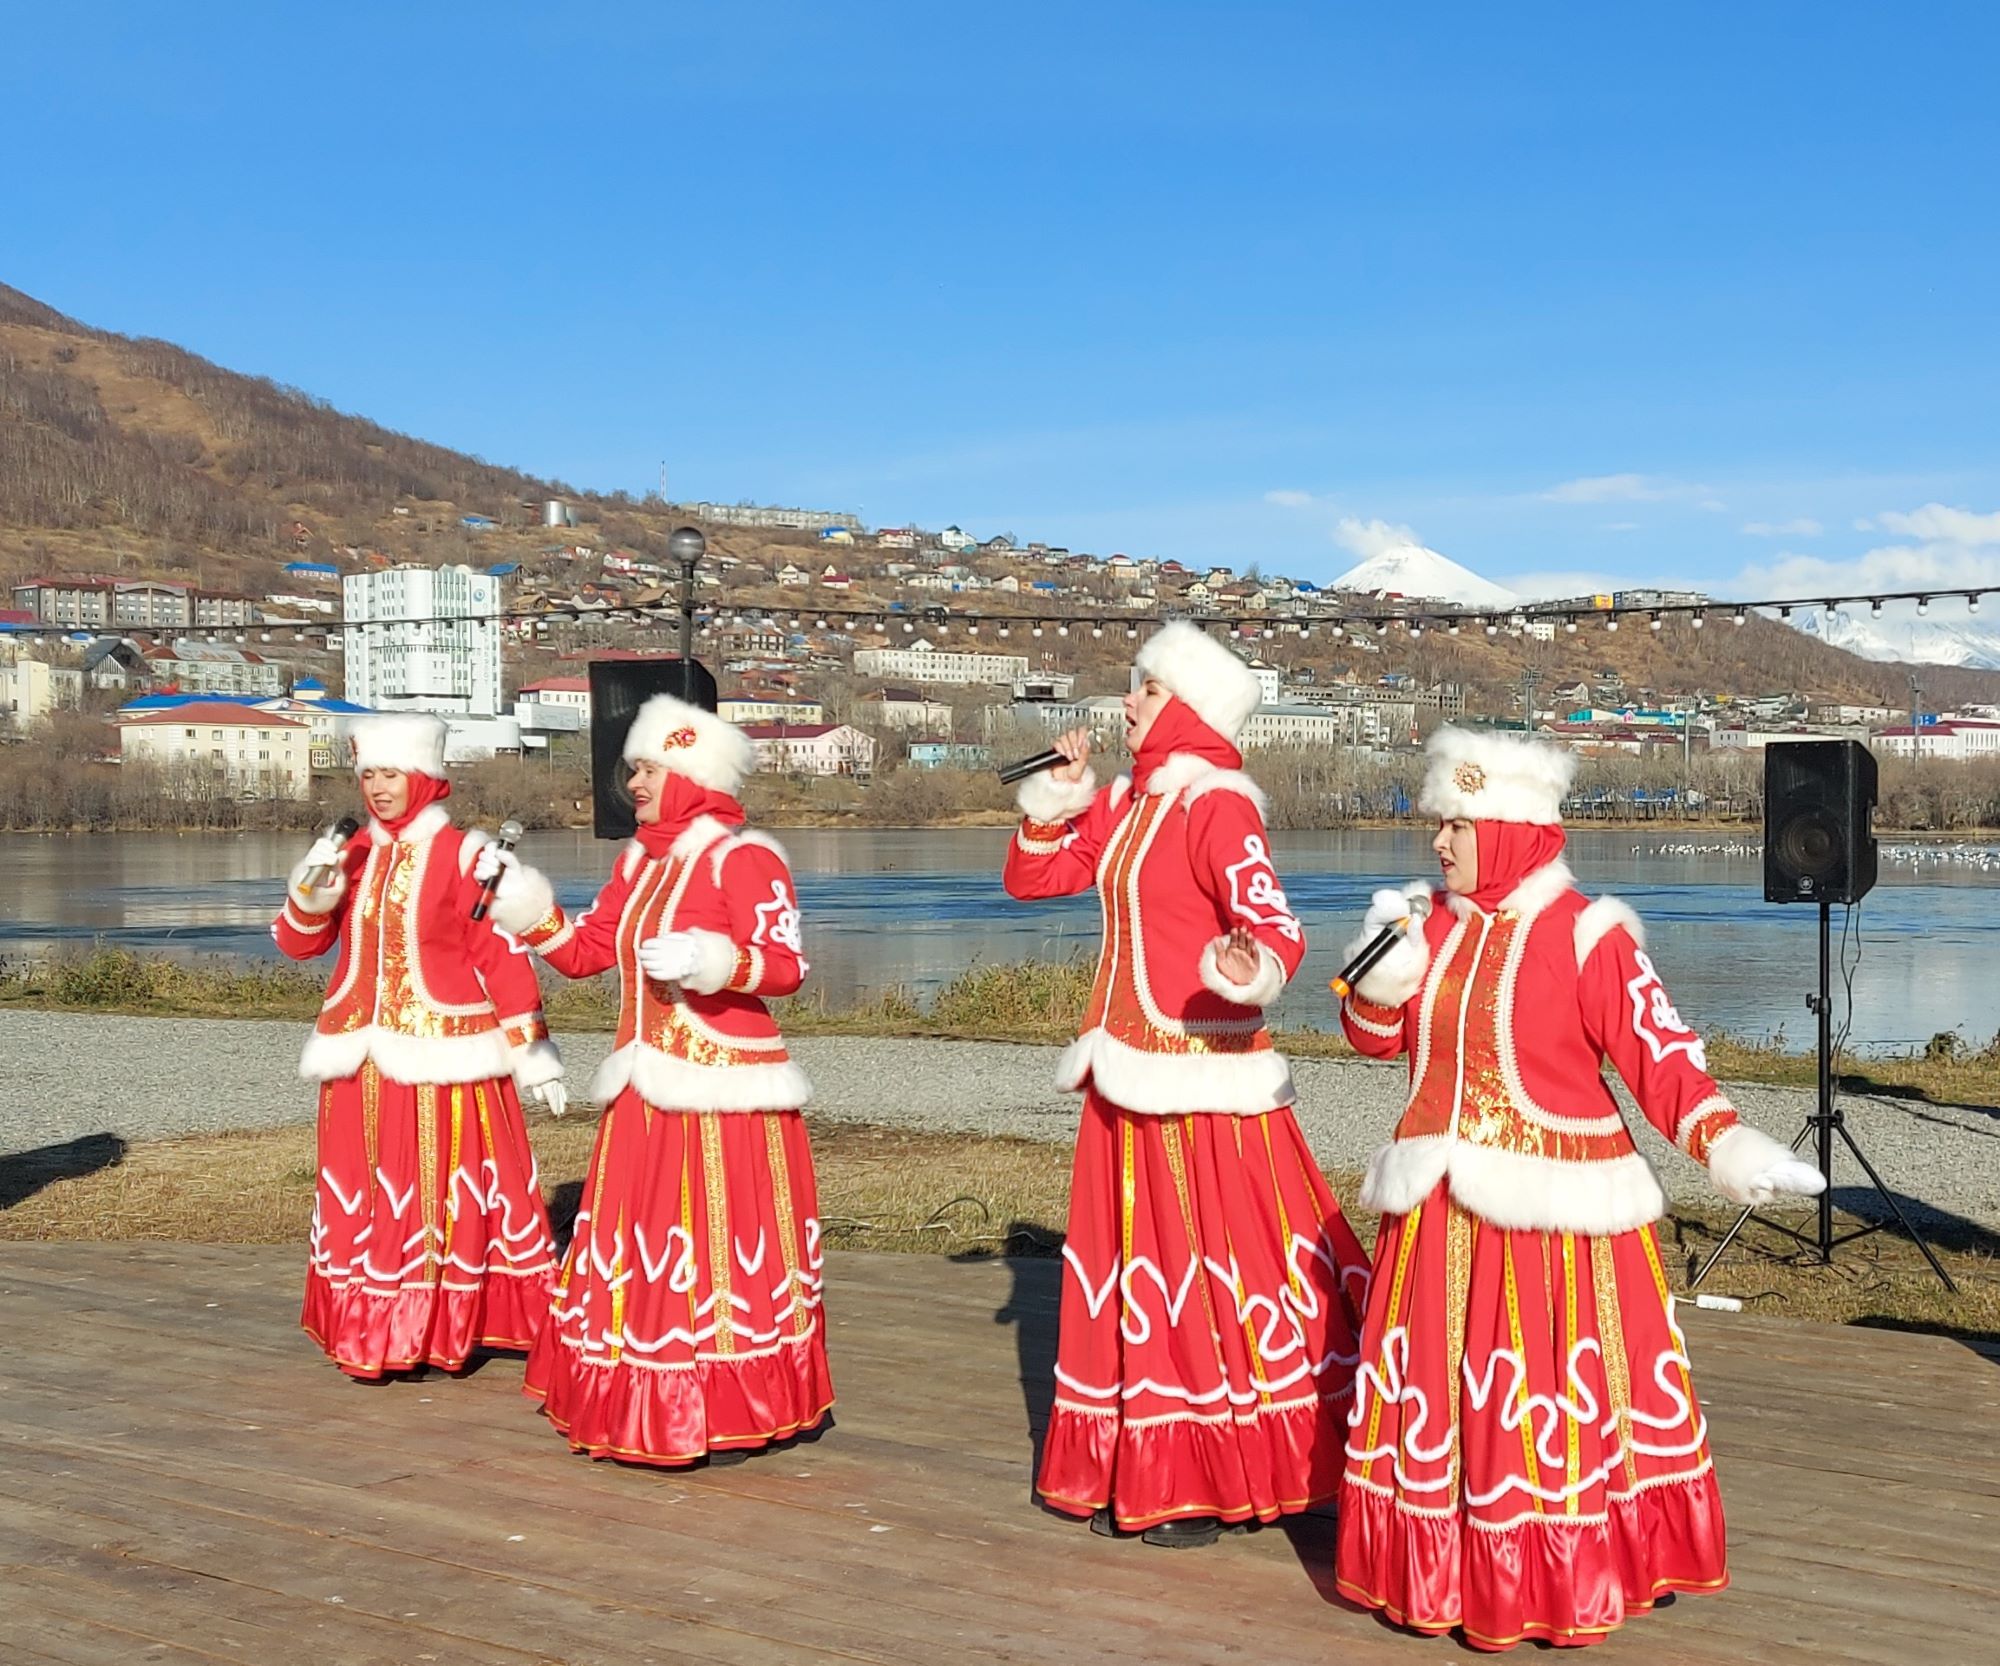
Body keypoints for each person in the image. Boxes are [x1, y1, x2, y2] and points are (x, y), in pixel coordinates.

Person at [1331, 725, 1826, 1650]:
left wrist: (1728, 1143)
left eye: (1458, 826)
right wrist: (1377, 987)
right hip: (1435, 1211)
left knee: (1551, 1398)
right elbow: (1376, 1045)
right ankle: (1446, 1567)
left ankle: (1581, 1567)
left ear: (1514, 827)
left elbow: (1661, 1056)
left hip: (1552, 1220)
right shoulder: (1425, 925)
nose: (1437, 843)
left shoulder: (1587, 934)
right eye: (1437, 824)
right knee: (1450, 1402)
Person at [1001, 620, 1370, 1548]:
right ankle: (1150, 1459)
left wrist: (1248, 971)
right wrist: (1057, 799)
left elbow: (1277, 929)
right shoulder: (1133, 798)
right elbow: (1036, 882)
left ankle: (1216, 1471)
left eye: (1147, 690)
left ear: (1190, 708)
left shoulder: (1217, 804)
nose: (1127, 702)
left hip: (1201, 1082)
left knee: (1206, 1274)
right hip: (1128, 1076)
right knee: (1140, 1274)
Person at [476, 691, 830, 1467]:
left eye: (651, 768)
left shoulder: (747, 856)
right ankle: (647, 1396)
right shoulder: (639, 862)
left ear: (693, 772)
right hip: (643, 1089)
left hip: (722, 1090)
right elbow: (585, 953)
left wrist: (714, 962)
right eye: (632, 769)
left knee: (713, 1250)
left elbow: (788, 967)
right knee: (646, 1250)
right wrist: (524, 907)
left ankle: (728, 1405)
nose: (634, 783)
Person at [272, 713, 567, 1379]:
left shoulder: (468, 855)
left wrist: (531, 1048)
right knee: (368, 1193)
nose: (377, 788)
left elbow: (501, 953)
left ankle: (441, 1326)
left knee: (435, 1192)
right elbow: (298, 946)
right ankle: (371, 1329)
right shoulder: (352, 852)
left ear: (426, 778)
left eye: (391, 774)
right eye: (368, 774)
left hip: (446, 1056)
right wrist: (308, 894)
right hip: (357, 1056)